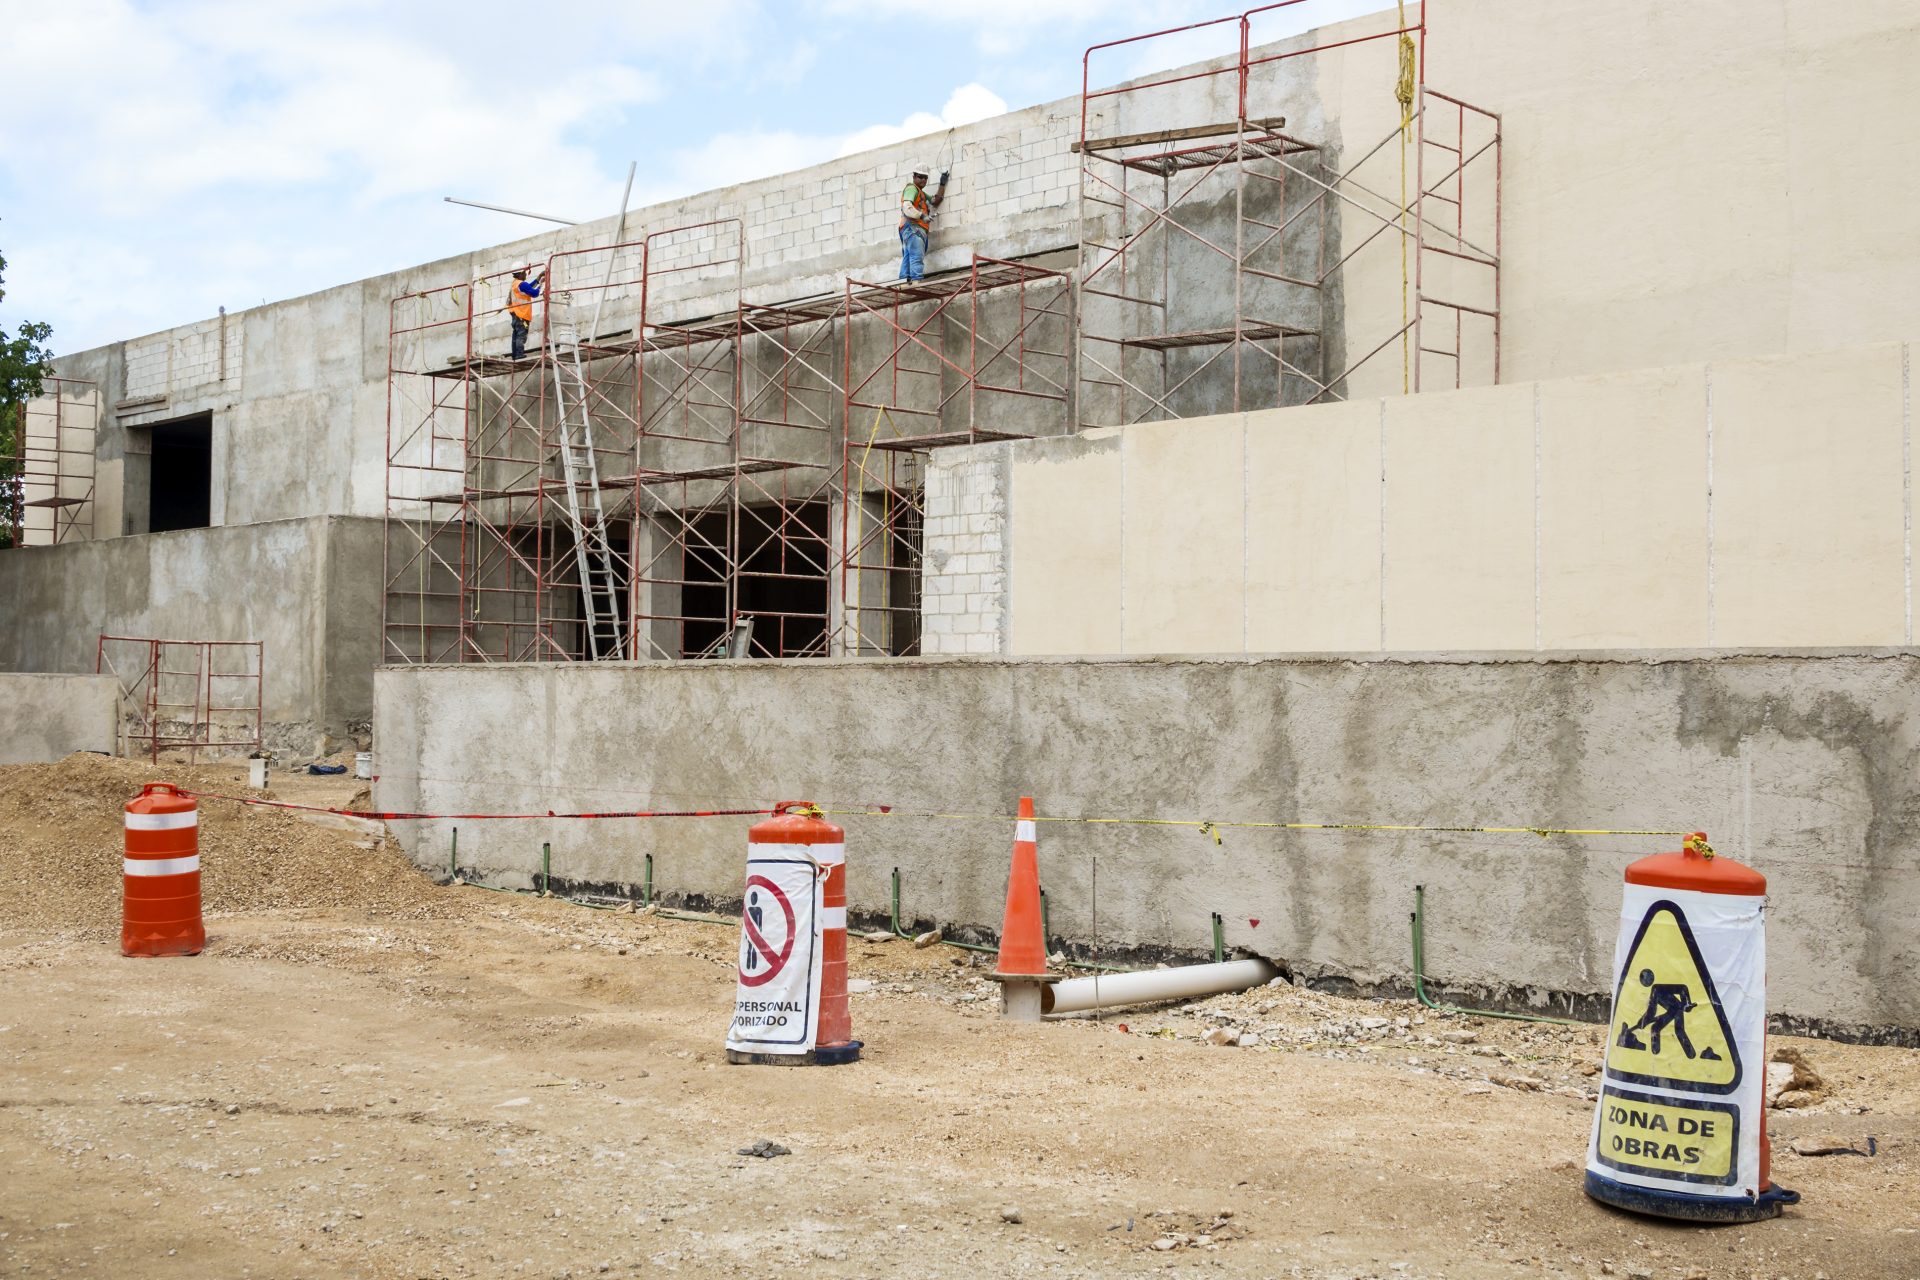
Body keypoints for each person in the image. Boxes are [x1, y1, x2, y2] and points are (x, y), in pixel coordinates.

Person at [897, 164, 949, 283]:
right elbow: (907, 206)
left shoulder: (921, 193)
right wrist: (922, 216)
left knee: (909, 255)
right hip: (913, 227)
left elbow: (935, 200)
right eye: (920, 177)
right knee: (916, 255)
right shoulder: (912, 189)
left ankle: (908, 280)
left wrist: (942, 183)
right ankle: (916, 281)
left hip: (911, 228)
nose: (923, 180)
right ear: (914, 176)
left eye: (925, 178)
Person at [505, 266, 544, 360]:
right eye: (525, 273)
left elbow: (528, 288)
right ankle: (519, 354)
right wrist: (541, 285)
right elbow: (534, 293)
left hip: (515, 315)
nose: (526, 274)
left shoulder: (515, 284)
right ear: (521, 274)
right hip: (521, 314)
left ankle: (515, 355)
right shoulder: (521, 284)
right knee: (521, 335)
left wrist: (538, 279)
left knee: (516, 335)